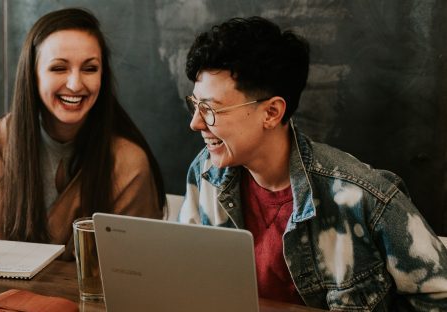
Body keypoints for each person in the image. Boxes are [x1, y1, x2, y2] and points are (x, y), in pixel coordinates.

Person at [177, 16, 447, 310]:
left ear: (271, 112)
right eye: (195, 105)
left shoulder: (365, 198)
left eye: (211, 109)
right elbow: (187, 278)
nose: (195, 123)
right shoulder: (205, 173)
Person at [0, 8, 165, 256]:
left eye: (90, 68)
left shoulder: (128, 163)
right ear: (33, 75)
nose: (75, 84)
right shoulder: (0, 139)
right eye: (59, 68)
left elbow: (136, 270)